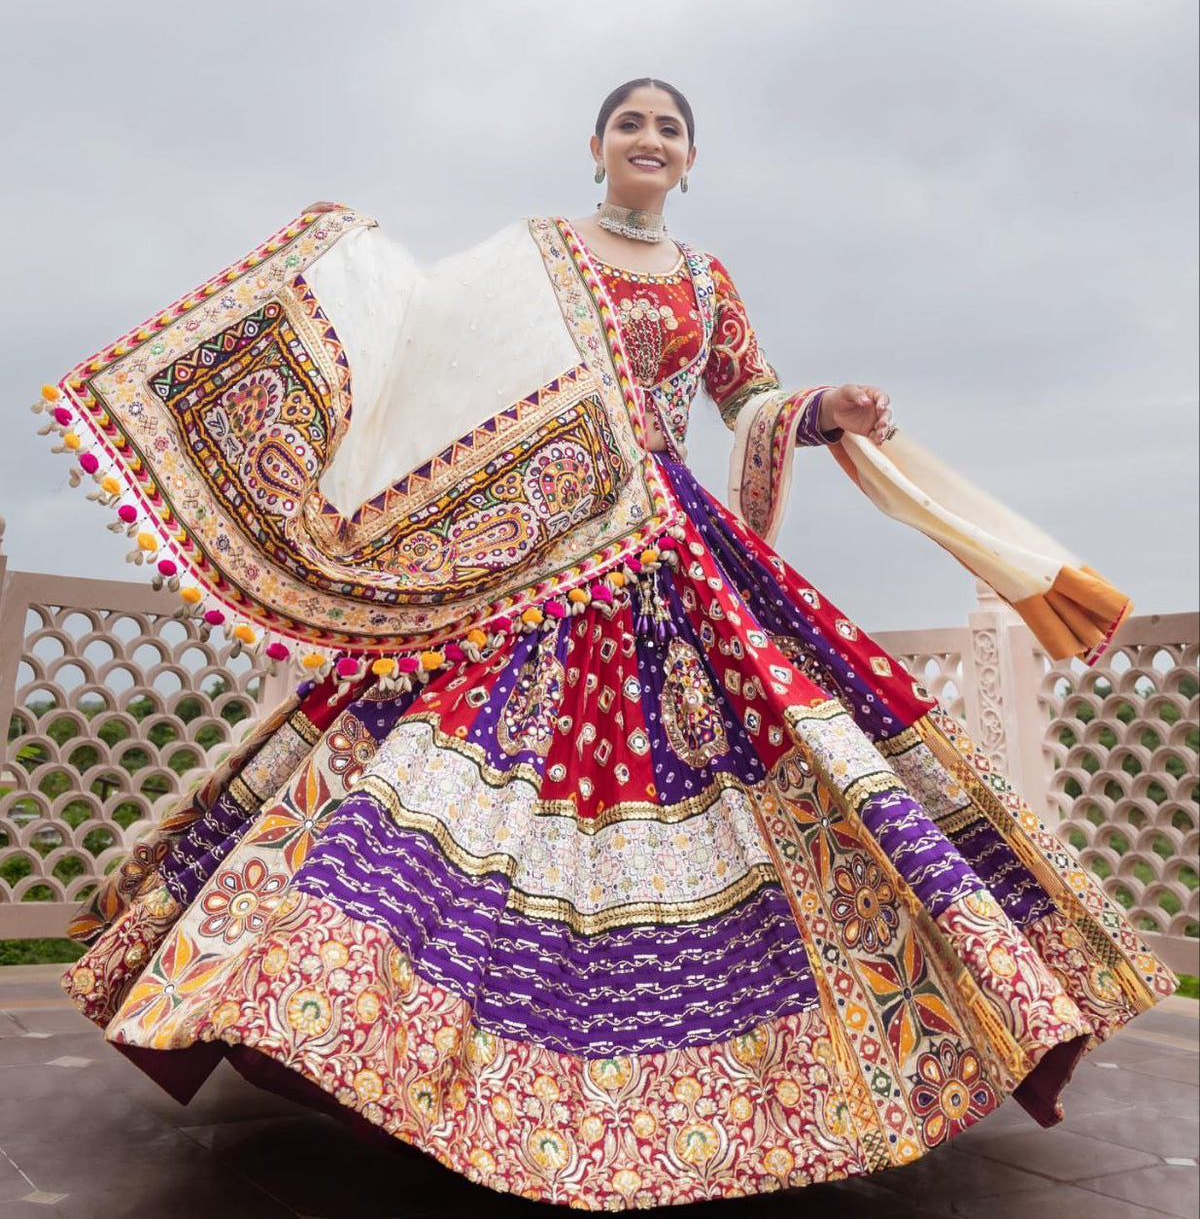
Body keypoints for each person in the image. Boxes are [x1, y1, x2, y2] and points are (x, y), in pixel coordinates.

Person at [43, 78, 1173, 1211]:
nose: (649, 139)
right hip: (542, 545)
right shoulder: (538, 256)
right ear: (595, 145)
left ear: (691, 158)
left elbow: (751, 400)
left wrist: (826, 407)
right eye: (630, 123)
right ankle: (375, 1040)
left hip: (675, 550)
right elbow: (444, 356)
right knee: (440, 762)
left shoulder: (704, 279)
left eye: (669, 128)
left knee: (787, 764)